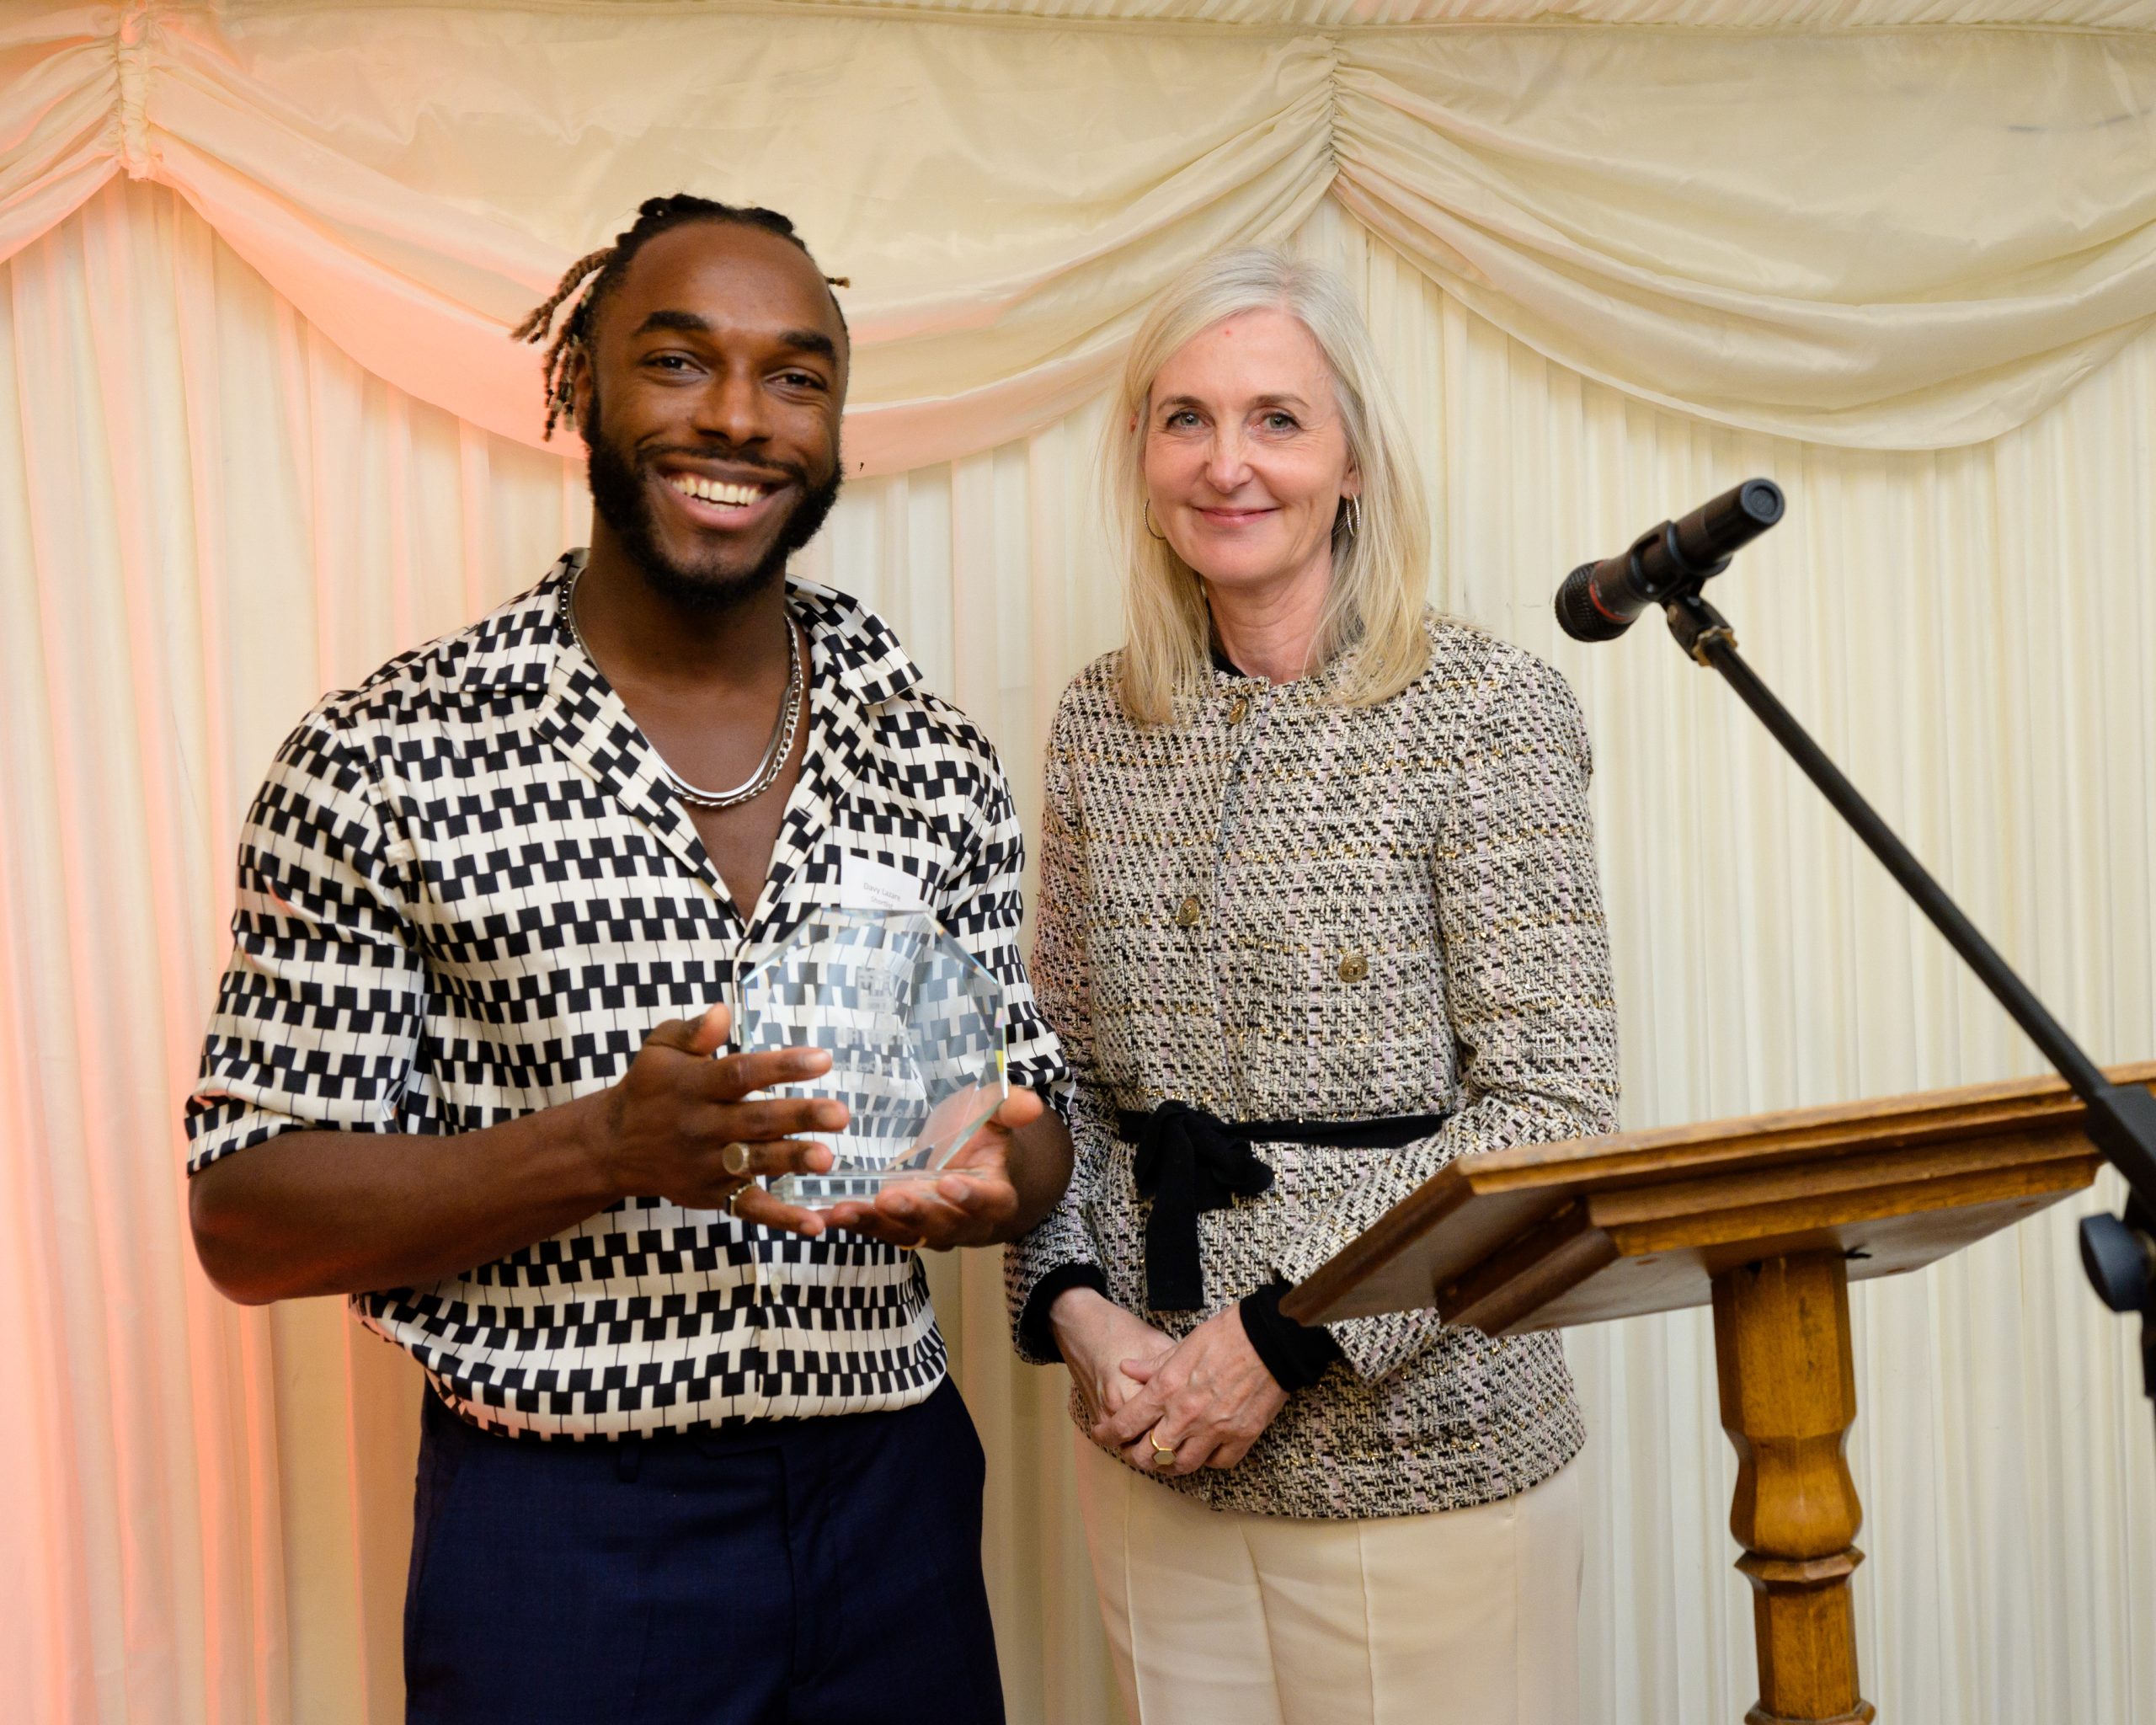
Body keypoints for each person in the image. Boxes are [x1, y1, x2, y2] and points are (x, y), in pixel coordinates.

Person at [185, 194, 1071, 1725]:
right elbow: (247, 1217)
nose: (737, 417)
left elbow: (1030, 1120)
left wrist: (1001, 1175)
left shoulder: (933, 756)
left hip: (895, 1503)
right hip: (564, 1535)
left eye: (794, 377)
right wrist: (605, 1147)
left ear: (836, 427)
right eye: (677, 360)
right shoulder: (385, 757)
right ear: (582, 383)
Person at [1004, 246, 1620, 1724]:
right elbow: (1054, 1070)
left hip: (1428, 1459)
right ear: (1144, 456)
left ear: (1354, 461)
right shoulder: (1099, 720)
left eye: (1276, 419)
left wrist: (1284, 1338)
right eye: (1187, 419)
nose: (1228, 464)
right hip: (1149, 1445)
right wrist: (1075, 1307)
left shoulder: (1488, 708)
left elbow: (1551, 1105)